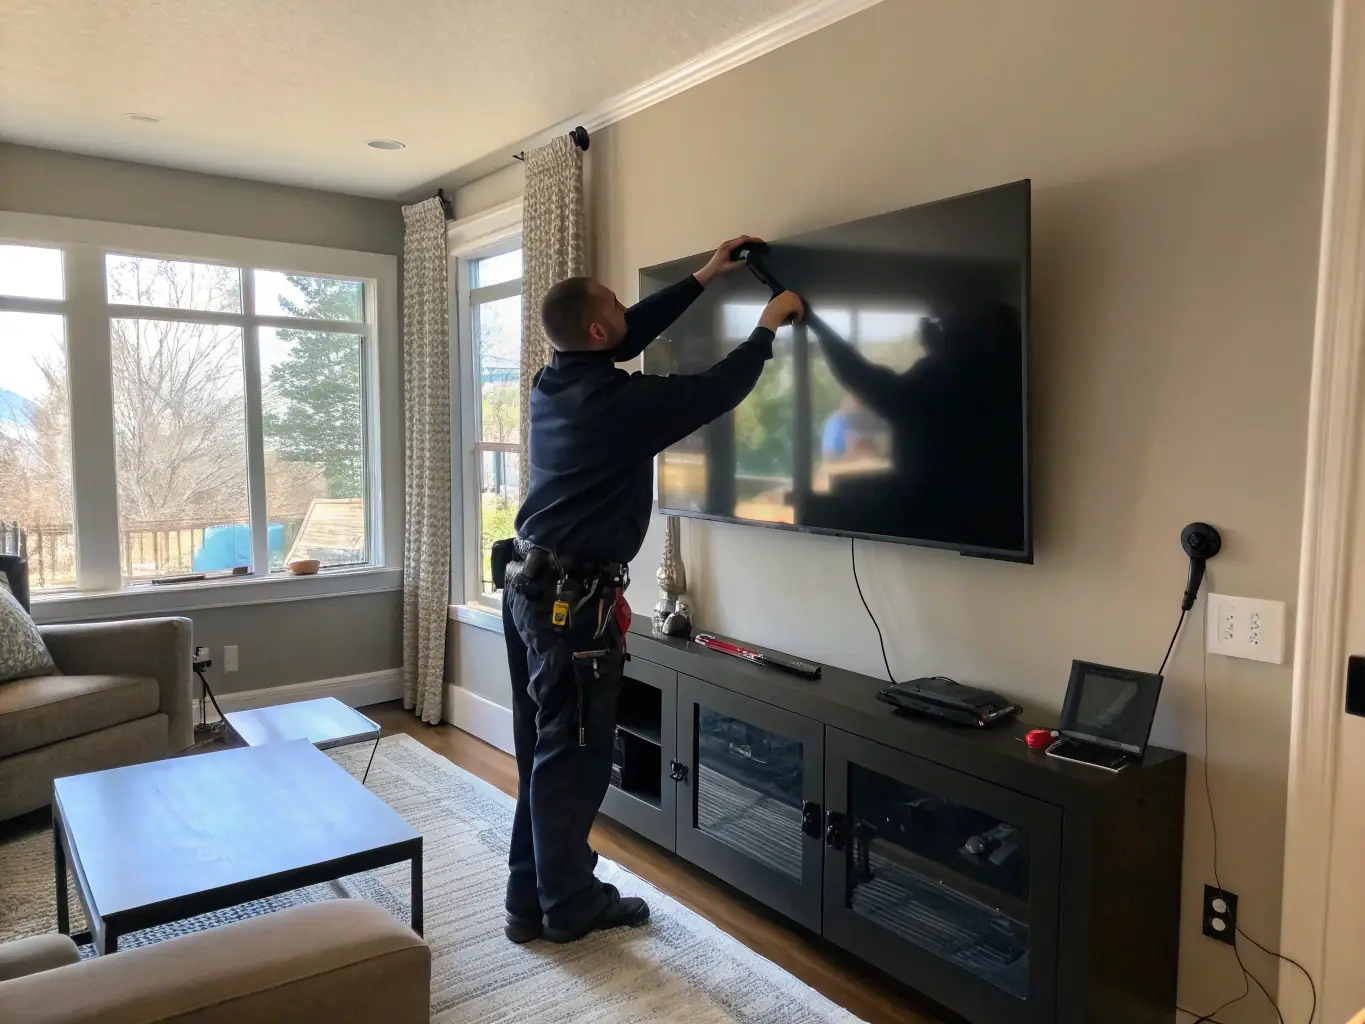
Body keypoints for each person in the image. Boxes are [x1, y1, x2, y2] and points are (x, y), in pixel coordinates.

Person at [497, 237, 804, 945]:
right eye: (615, 305)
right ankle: (569, 905)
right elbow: (716, 390)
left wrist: (702, 277)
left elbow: (627, 330)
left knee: (544, 756)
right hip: (572, 610)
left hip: (530, 591)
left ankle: (530, 900)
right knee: (572, 760)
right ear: (600, 332)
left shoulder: (556, 381)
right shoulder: (618, 406)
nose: (626, 313)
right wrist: (767, 324)